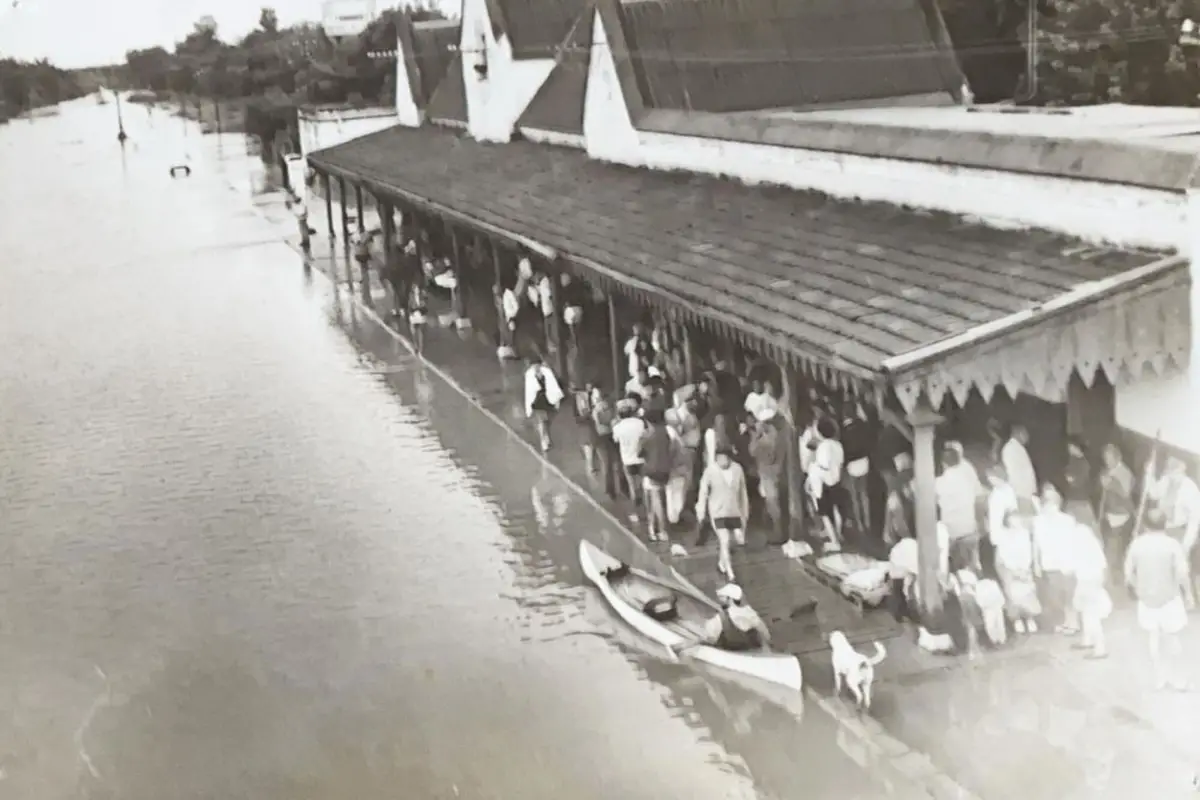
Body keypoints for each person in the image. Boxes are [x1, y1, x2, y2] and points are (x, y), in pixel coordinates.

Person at [1124, 508, 1194, 690]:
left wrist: (1138, 589)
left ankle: (1160, 677)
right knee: (1172, 638)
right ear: (1165, 524)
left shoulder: (1137, 544)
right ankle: (1178, 679)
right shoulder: (1172, 545)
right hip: (1170, 597)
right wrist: (1189, 595)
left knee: (1154, 638)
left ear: (1145, 525)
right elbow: (1182, 574)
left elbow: (1128, 573)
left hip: (1147, 599)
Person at [1146, 454, 1200, 599]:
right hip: (1164, 528)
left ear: (1182, 470)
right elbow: (1153, 493)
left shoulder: (1190, 489)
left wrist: (1186, 543)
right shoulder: (1166, 480)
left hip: (1181, 530)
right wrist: (1149, 475)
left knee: (1181, 566)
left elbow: (1195, 519)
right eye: (1169, 472)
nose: (1171, 475)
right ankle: (1169, 595)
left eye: (1174, 472)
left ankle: (1189, 597)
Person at [696, 446, 750, 581]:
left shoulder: (737, 469)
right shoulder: (710, 471)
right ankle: (730, 572)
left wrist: (745, 512)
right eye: (719, 458)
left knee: (730, 541)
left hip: (734, 510)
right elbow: (703, 492)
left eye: (725, 458)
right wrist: (701, 511)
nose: (722, 461)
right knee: (724, 540)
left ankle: (722, 563)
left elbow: (743, 492)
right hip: (717, 511)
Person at [1033, 483, 1080, 634]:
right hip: (1049, 563)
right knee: (1055, 594)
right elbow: (1036, 544)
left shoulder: (1067, 521)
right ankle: (1062, 621)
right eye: (1047, 503)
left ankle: (1073, 622)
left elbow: (1074, 542)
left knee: (1069, 593)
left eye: (1052, 503)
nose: (1050, 507)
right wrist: (1036, 563)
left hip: (1067, 562)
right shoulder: (1038, 522)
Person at [672, 583, 770, 654]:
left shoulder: (720, 618)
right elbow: (765, 633)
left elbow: (708, 638)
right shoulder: (749, 612)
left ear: (729, 599)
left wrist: (684, 645)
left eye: (722, 597)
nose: (719, 599)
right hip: (754, 651)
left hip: (733, 654)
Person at [935, 445, 985, 572]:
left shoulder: (939, 483)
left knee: (959, 572)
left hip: (953, 534)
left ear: (943, 463)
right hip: (970, 529)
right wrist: (980, 524)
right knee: (973, 568)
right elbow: (979, 499)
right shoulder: (968, 480)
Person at [991, 508, 1041, 633]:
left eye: (1017, 519)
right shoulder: (1003, 536)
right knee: (1013, 594)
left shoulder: (1024, 534)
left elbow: (1027, 552)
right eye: (1012, 520)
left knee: (1027, 593)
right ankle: (1017, 619)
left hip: (1024, 568)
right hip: (1009, 568)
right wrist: (1013, 570)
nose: (1015, 522)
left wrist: (1024, 568)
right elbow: (1002, 555)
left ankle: (1029, 618)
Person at [1071, 522, 1111, 659]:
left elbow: (1070, 567)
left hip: (1087, 582)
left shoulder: (1080, 550)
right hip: (1093, 581)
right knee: (1087, 613)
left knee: (1091, 615)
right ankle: (1087, 640)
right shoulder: (1094, 546)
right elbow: (1104, 566)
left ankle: (1100, 648)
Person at [748, 407, 787, 544]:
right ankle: (775, 530)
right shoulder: (779, 435)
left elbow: (753, 451)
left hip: (769, 473)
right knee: (773, 504)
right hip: (774, 473)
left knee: (773, 504)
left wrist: (756, 436)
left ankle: (778, 533)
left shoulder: (768, 438)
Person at [1097, 443, 1135, 582]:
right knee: (1108, 545)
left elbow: (1126, 493)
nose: (1107, 461)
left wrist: (1112, 483)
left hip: (1121, 515)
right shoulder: (1107, 471)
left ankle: (1115, 578)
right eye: (1105, 458)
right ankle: (1111, 575)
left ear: (1117, 457)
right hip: (1109, 514)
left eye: (1109, 458)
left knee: (1115, 548)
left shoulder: (1124, 472)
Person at [639, 408, 678, 542]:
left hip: (652, 470)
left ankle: (660, 530)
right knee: (661, 498)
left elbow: (639, 452)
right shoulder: (665, 432)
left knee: (655, 501)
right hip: (665, 470)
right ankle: (657, 528)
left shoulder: (648, 435)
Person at [808, 416, 846, 551]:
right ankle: (839, 534)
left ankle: (834, 542)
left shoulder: (824, 446)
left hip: (823, 483)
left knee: (825, 513)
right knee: (836, 510)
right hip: (836, 480)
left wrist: (813, 467)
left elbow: (823, 466)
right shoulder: (838, 444)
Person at [612, 397, 648, 521]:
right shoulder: (639, 423)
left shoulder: (618, 427)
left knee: (633, 488)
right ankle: (648, 510)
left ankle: (636, 513)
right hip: (641, 459)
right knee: (644, 486)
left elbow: (616, 440)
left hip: (627, 460)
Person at [523, 354, 563, 453]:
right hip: (537, 401)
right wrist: (529, 406)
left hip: (548, 399)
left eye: (537, 365)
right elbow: (529, 391)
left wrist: (556, 399)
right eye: (533, 366)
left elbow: (553, 385)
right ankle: (544, 441)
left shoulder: (547, 372)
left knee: (547, 420)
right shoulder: (529, 375)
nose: (535, 367)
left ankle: (546, 436)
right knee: (541, 421)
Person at [1001, 425, 1038, 509]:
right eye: (1026, 434)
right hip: (1020, 493)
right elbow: (1013, 473)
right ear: (1020, 433)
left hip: (1026, 493)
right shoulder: (1010, 448)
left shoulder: (1018, 448)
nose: (1028, 437)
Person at [407, 279, 429, 353]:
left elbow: (425, 306)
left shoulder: (422, 295)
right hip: (414, 315)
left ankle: (421, 347)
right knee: (413, 330)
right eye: (416, 289)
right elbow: (410, 306)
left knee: (420, 332)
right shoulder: (411, 296)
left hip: (421, 315)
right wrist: (412, 312)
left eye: (418, 289)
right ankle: (416, 345)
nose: (417, 290)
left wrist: (420, 310)